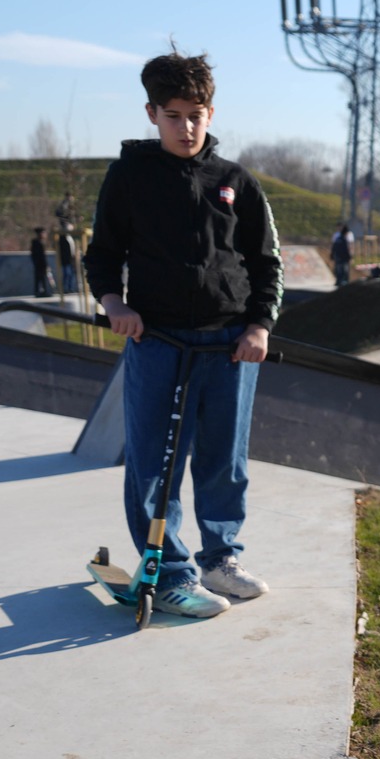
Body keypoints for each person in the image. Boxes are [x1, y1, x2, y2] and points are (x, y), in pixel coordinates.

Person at [83, 48, 280, 620]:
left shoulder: (235, 181)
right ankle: (168, 574)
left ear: (211, 114)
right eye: (174, 115)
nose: (186, 127)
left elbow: (267, 262)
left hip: (229, 345)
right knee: (156, 462)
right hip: (158, 342)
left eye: (196, 114)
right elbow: (103, 254)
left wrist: (260, 326)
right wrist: (115, 303)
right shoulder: (129, 177)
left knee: (224, 460)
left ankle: (221, 558)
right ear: (152, 114)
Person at [30, 226, 53, 297]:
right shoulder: (37, 243)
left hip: (39, 263)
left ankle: (41, 291)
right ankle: (39, 291)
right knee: (39, 278)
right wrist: (45, 264)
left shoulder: (38, 243)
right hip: (39, 264)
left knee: (41, 278)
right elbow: (40, 255)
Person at [329, 221, 354, 286]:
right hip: (338, 254)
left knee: (345, 268)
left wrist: (351, 255)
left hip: (345, 254)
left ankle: (345, 280)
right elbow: (333, 245)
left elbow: (350, 245)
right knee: (338, 268)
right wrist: (332, 254)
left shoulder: (348, 234)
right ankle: (338, 280)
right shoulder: (336, 235)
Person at [58, 228, 78, 297]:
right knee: (66, 274)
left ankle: (70, 288)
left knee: (71, 274)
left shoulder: (70, 238)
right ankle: (65, 288)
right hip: (65, 260)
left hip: (71, 259)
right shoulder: (62, 239)